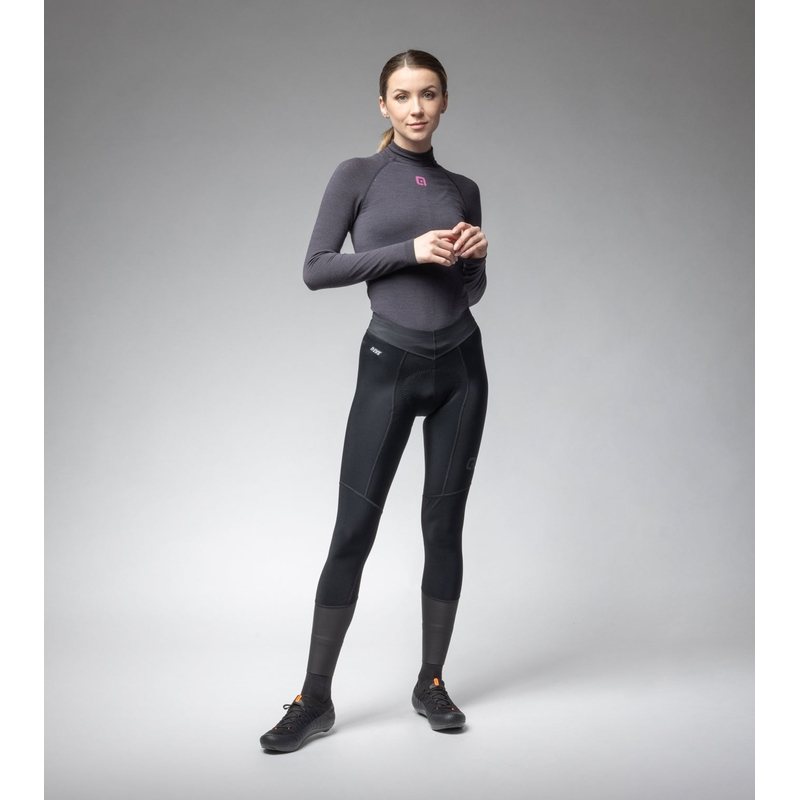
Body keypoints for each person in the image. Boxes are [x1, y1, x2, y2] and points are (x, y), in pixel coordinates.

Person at [260, 50, 489, 752]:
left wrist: (475, 259)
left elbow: (472, 291)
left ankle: (431, 681)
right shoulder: (357, 175)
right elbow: (316, 268)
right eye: (403, 95)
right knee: (353, 531)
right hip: (390, 366)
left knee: (443, 527)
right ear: (383, 105)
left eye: (429, 94)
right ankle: (314, 699)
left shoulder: (463, 188)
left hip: (462, 368)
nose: (417, 108)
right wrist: (410, 251)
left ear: (445, 101)